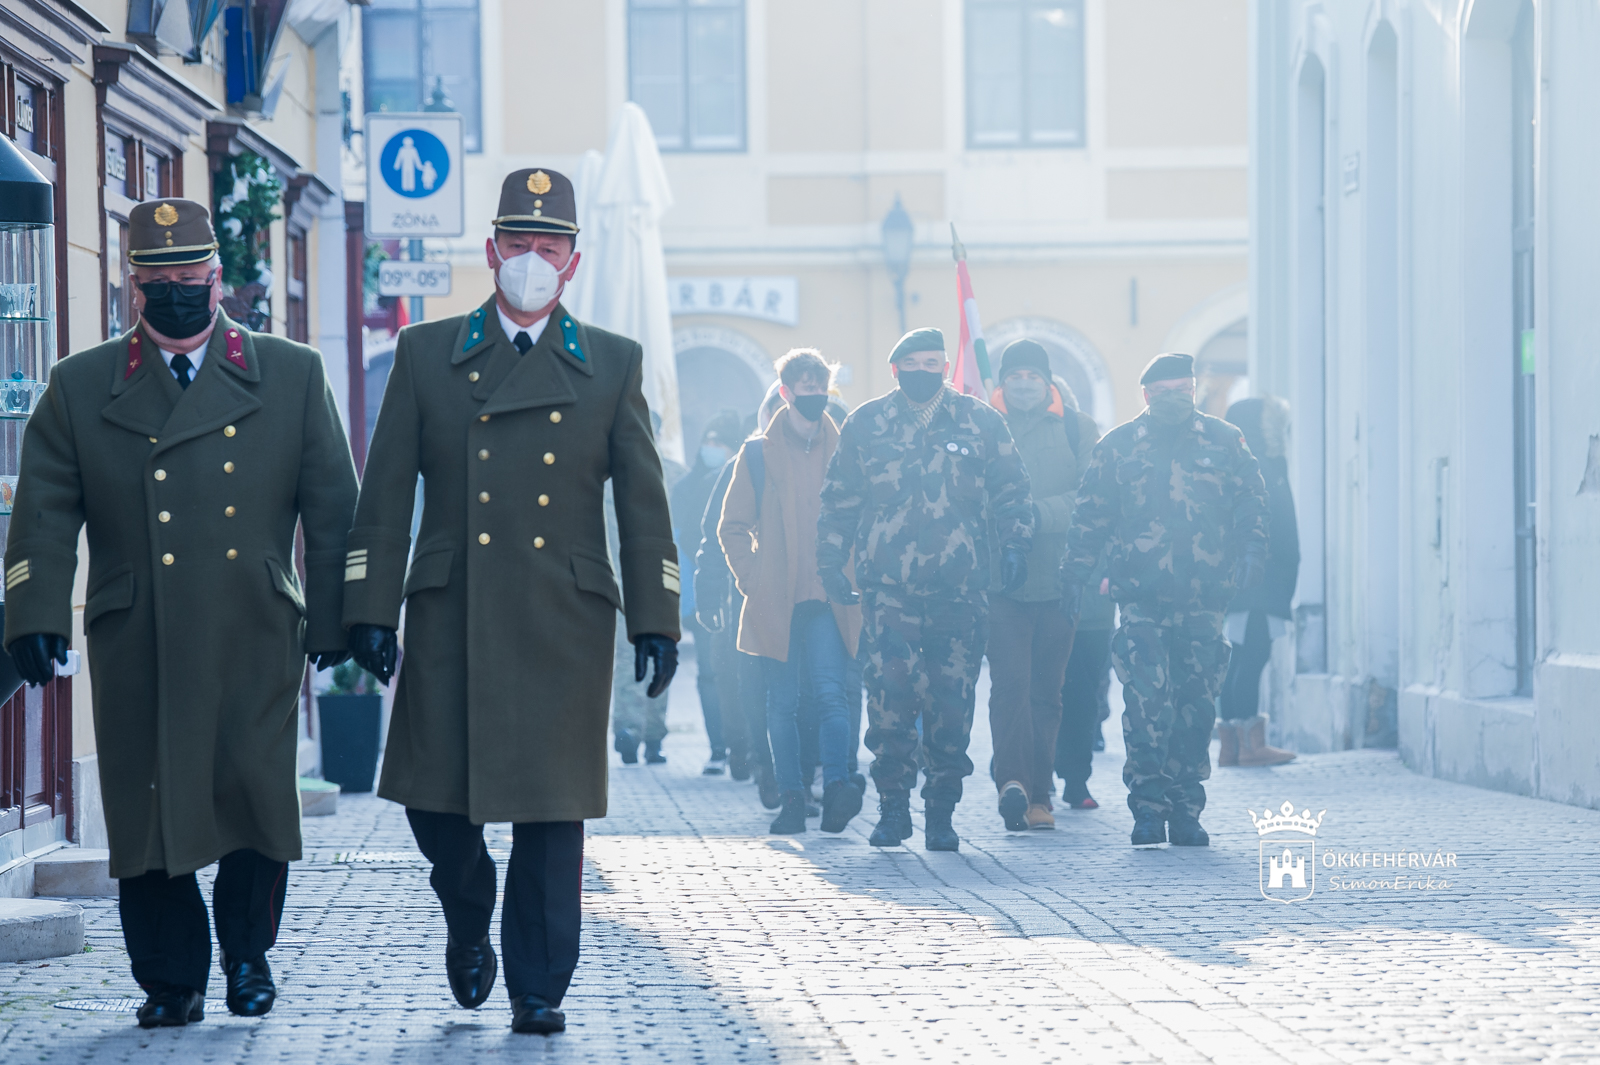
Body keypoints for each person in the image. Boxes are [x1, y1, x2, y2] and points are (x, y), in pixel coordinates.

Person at [1, 198, 358, 1027]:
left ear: (217, 277)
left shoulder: (290, 372)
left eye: (188, 276)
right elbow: (44, 511)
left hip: (254, 627)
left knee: (255, 800)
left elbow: (334, 507)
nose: (173, 291)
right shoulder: (82, 384)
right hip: (140, 637)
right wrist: (36, 609)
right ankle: (170, 978)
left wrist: (339, 620)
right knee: (148, 810)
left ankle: (246, 954)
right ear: (132, 285)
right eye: (155, 278)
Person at [344, 168, 679, 1035]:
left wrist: (656, 615)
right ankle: (467, 906)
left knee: (551, 808)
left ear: (573, 261)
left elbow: (642, 503)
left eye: (550, 246)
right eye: (519, 244)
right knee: (432, 801)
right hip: (454, 608)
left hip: (564, 616)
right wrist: (370, 608)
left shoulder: (611, 362)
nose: (533, 259)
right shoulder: (428, 354)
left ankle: (538, 982)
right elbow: (385, 495)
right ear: (492, 251)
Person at [817, 328, 1033, 852]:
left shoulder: (980, 420)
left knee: (951, 702)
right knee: (890, 696)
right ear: (896, 369)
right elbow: (840, 497)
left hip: (960, 588)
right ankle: (893, 808)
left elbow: (1011, 488)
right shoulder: (867, 423)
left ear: (945, 365)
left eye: (933, 361)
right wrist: (828, 558)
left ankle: (941, 810)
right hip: (888, 588)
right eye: (913, 362)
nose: (924, 370)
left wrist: (1016, 544)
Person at [1060, 353, 1267, 848]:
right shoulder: (1118, 447)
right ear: (1147, 395)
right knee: (1147, 706)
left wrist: (1253, 550)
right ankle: (1148, 809)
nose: (1176, 397)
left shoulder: (1224, 441)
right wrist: (1075, 575)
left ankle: (1187, 808)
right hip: (1142, 600)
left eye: (1184, 388)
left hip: (1205, 599)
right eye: (1165, 390)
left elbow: (1251, 502)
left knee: (1196, 707)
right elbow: (1090, 517)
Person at [719, 350, 863, 835]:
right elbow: (732, 526)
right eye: (804, 390)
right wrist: (753, 581)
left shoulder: (844, 452)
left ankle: (839, 787)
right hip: (776, 598)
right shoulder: (757, 453)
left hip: (828, 596)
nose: (814, 398)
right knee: (781, 704)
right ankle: (793, 799)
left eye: (820, 389)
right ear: (785, 392)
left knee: (831, 694)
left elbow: (865, 518)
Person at [985, 341, 1101, 831]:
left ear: (1048, 381)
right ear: (1003, 382)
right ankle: (1012, 782)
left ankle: (1040, 795)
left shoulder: (1076, 429)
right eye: (1016, 375)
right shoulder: (982, 426)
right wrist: (1004, 518)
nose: (1025, 382)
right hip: (1000, 582)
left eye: (1034, 374)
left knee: (1047, 694)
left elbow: (1091, 495)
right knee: (1009, 687)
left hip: (1059, 579)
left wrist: (1037, 513)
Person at [1218, 397, 1299, 767]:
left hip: (1253, 579)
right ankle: (1250, 746)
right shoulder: (1259, 467)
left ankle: (1232, 746)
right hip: (1259, 581)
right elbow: (1275, 527)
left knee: (1241, 658)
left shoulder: (1245, 465)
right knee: (1252, 658)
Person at [671, 410, 746, 774]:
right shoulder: (688, 487)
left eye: (720, 442)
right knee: (710, 672)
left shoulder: (744, 475)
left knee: (743, 672)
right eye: (708, 441)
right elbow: (684, 539)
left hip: (746, 592)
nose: (711, 449)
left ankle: (745, 747)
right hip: (709, 590)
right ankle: (721, 747)